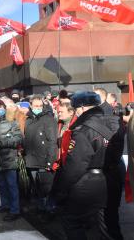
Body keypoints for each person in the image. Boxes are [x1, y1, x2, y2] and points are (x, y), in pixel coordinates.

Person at [51, 92, 112, 240]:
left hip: (85, 183)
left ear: (83, 108)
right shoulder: (109, 122)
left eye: (77, 108)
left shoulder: (83, 131)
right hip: (106, 178)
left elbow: (75, 166)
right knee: (104, 226)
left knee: (71, 220)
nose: (76, 112)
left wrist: (59, 190)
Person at [94, 88, 125, 240]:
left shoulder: (107, 118)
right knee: (109, 216)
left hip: (107, 172)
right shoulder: (102, 116)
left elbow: (114, 147)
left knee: (107, 216)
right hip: (108, 171)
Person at [24, 94, 57, 212]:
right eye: (35, 105)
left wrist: (50, 161)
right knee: (37, 188)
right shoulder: (28, 119)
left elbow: (52, 141)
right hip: (31, 160)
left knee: (45, 189)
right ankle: (41, 209)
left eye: (40, 105)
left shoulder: (48, 119)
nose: (38, 107)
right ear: (31, 106)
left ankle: (48, 211)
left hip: (44, 160)